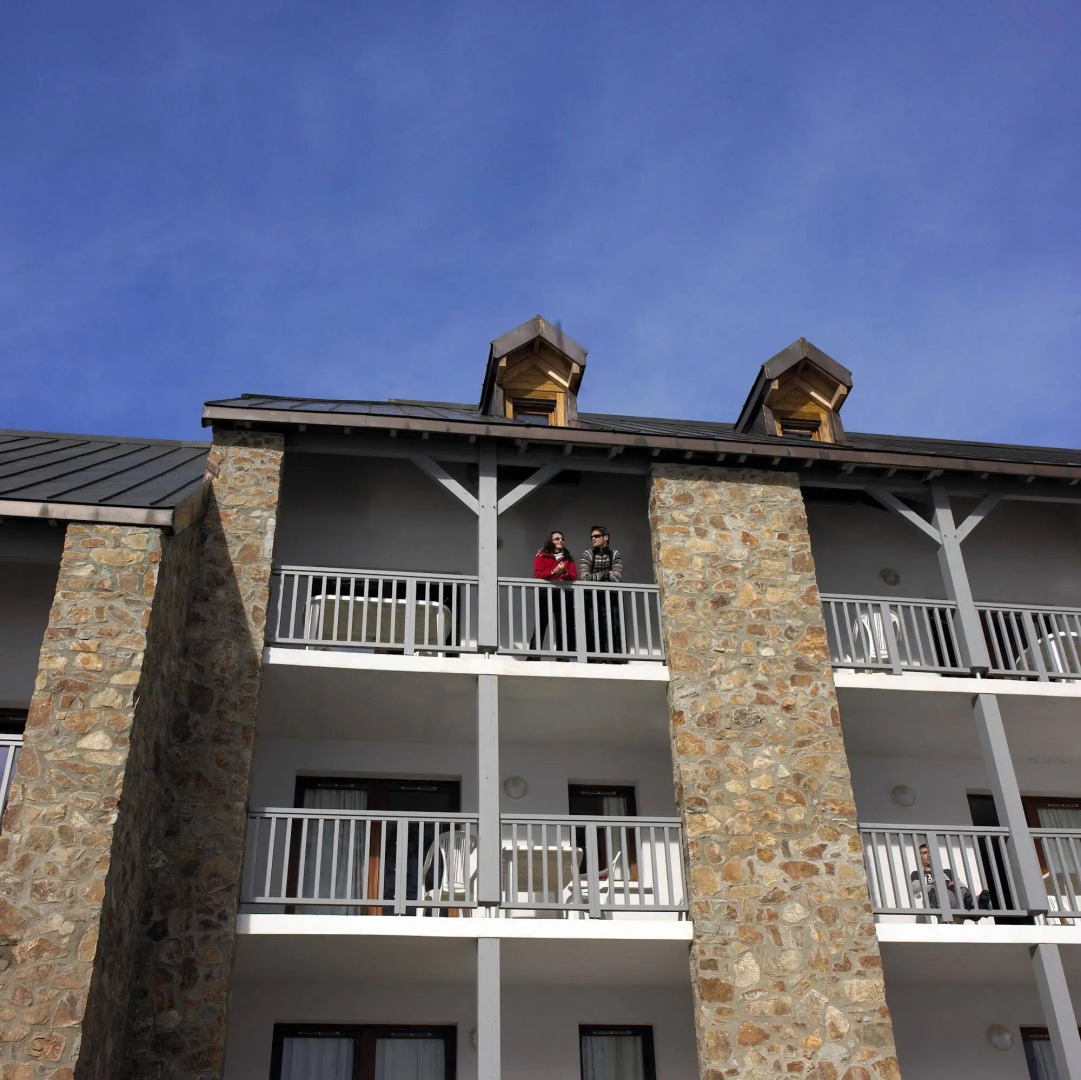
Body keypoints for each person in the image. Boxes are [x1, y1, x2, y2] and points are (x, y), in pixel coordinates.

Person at [579, 525, 624, 659]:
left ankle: (615, 658)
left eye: (596, 536)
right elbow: (585, 577)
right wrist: (605, 574)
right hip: (592, 598)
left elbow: (616, 576)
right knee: (593, 627)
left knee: (613, 626)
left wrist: (598, 576)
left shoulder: (614, 554)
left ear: (606, 537)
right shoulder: (588, 554)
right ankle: (595, 659)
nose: (593, 539)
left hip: (611, 597)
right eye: (592, 537)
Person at [530, 530, 577, 654]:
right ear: (550, 541)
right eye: (557, 538)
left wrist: (564, 573)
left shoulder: (568, 558)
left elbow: (574, 576)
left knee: (563, 626)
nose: (560, 540)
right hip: (546, 594)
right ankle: (534, 655)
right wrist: (554, 572)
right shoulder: (542, 555)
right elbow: (538, 574)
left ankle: (563, 656)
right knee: (541, 624)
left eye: (562, 539)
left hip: (563, 595)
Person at [910, 843, 974, 915]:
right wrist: (935, 885)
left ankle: (975, 902)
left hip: (954, 896)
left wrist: (955, 883)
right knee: (944, 892)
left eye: (930, 853)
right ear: (920, 857)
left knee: (962, 889)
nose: (928, 855)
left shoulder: (947, 871)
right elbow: (916, 887)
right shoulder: (916, 873)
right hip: (935, 898)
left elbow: (961, 885)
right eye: (925, 853)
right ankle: (970, 904)